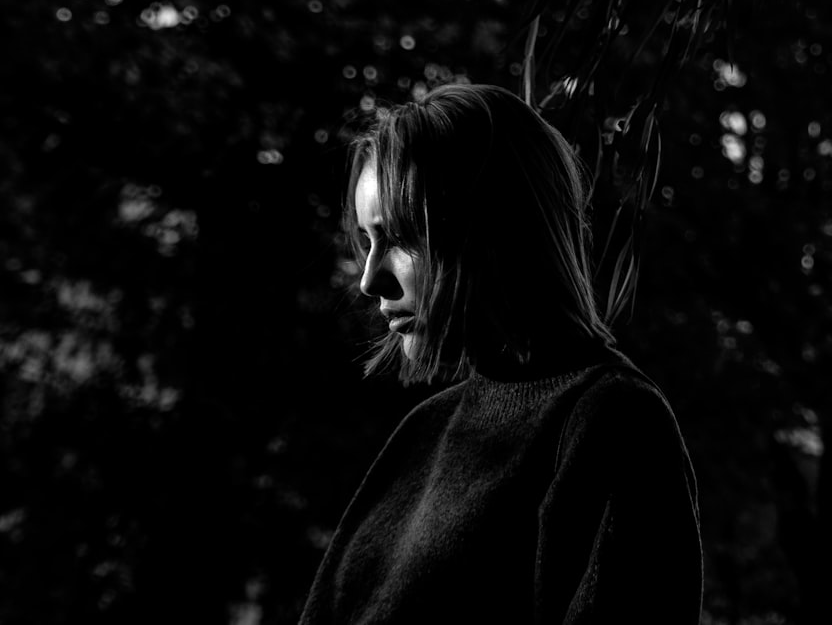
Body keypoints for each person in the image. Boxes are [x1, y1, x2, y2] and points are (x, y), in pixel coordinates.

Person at [299, 83, 702, 624]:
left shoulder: (611, 423)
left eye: (399, 237)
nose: (371, 281)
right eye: (366, 242)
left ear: (492, 229)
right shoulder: (422, 433)